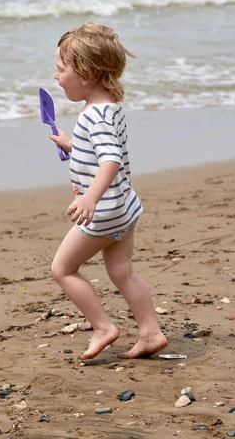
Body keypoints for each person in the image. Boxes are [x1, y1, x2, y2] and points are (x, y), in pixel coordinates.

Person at [49, 22, 168, 360]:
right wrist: (71, 144)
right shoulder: (109, 108)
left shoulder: (93, 117)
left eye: (61, 69)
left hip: (103, 211)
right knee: (121, 271)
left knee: (63, 269)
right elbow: (100, 149)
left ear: (85, 74)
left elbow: (111, 159)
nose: (56, 77)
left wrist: (89, 197)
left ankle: (103, 328)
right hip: (124, 206)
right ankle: (150, 332)